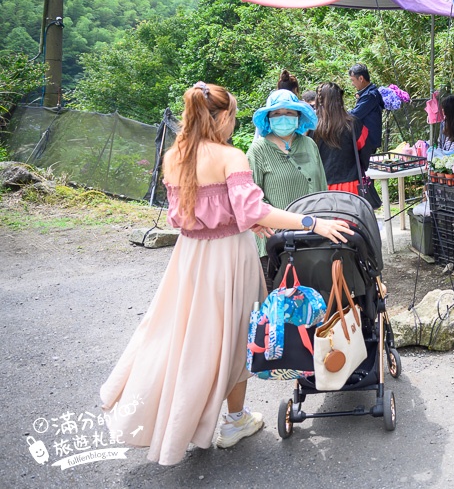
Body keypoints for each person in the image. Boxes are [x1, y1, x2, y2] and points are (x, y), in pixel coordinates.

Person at [100, 82, 352, 465]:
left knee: (183, 337)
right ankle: (233, 420)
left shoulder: (175, 154)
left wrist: (245, 222)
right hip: (228, 259)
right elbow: (253, 210)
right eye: (232, 117)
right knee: (237, 337)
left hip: (189, 259)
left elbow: (199, 209)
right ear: (219, 118)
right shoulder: (229, 155)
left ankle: (179, 421)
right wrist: (311, 221)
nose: (234, 124)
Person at [247, 89, 327, 274]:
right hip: (276, 242)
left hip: (313, 236)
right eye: (277, 113)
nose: (283, 117)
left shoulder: (309, 144)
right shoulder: (258, 150)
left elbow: (322, 187)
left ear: (298, 116)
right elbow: (253, 198)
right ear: (268, 118)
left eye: (289, 113)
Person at [314, 81, 366, 194]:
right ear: (340, 99)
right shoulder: (353, 123)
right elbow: (363, 148)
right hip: (350, 184)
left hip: (320, 187)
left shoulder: (310, 125)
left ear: (319, 100)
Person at [348, 63, 384, 171]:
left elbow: (355, 115)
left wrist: (339, 114)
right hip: (366, 139)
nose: (352, 84)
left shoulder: (370, 95)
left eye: (353, 80)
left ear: (361, 78)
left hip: (368, 140)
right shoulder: (368, 93)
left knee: (365, 173)